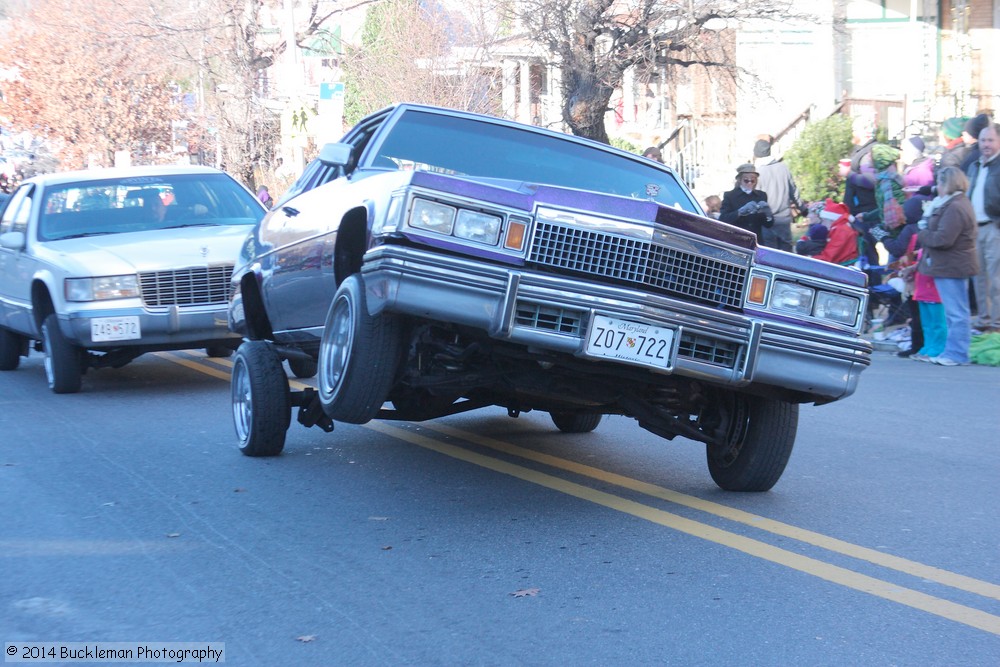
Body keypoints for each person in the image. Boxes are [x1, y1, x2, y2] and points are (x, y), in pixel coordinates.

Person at [916, 166, 980, 365]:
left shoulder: (955, 207)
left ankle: (957, 354)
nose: (937, 187)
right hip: (950, 264)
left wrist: (923, 233)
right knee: (955, 311)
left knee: (956, 312)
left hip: (952, 265)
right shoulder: (953, 204)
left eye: (940, 182)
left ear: (948, 183)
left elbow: (943, 239)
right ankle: (953, 351)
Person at [966, 122, 1000, 333]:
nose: (986, 144)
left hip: (994, 226)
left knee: (996, 277)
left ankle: (997, 323)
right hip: (974, 227)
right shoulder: (974, 165)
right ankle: (984, 320)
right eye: (983, 140)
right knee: (978, 276)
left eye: (990, 140)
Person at [752, 135, 804, 252]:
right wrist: (803, 208)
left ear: (757, 154)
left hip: (767, 219)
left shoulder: (757, 173)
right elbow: (794, 191)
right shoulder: (783, 168)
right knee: (786, 252)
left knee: (770, 252)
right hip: (784, 219)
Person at [718, 163, 773, 242]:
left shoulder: (761, 195)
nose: (750, 183)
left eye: (753, 180)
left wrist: (768, 213)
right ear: (740, 180)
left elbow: (768, 225)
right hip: (736, 240)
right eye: (746, 180)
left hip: (756, 241)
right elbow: (723, 220)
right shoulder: (730, 195)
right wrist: (739, 212)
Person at [812, 199, 861, 265]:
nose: (822, 224)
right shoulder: (840, 228)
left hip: (842, 266)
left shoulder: (840, 231)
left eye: (823, 220)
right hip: (841, 263)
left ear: (831, 220)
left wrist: (808, 259)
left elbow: (828, 258)